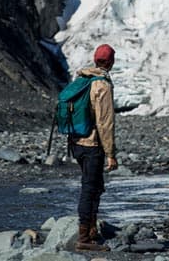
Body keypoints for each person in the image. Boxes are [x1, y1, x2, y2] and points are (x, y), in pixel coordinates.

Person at [73, 44, 119, 251]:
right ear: (110, 62)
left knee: (93, 186)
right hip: (93, 144)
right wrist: (111, 154)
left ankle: (91, 230)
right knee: (90, 189)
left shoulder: (81, 79)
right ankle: (84, 238)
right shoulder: (102, 85)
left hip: (76, 143)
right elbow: (105, 122)